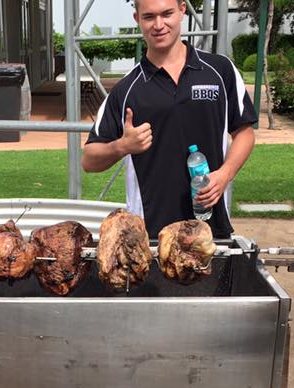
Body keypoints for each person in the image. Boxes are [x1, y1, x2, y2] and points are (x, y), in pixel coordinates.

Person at [82, 0, 257, 240]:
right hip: (150, 235)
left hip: (210, 227)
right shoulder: (127, 89)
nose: (158, 25)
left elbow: (245, 133)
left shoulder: (220, 71)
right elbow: (89, 160)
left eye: (167, 14)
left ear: (182, 10)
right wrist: (122, 146)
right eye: (149, 17)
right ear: (137, 19)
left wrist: (225, 174)